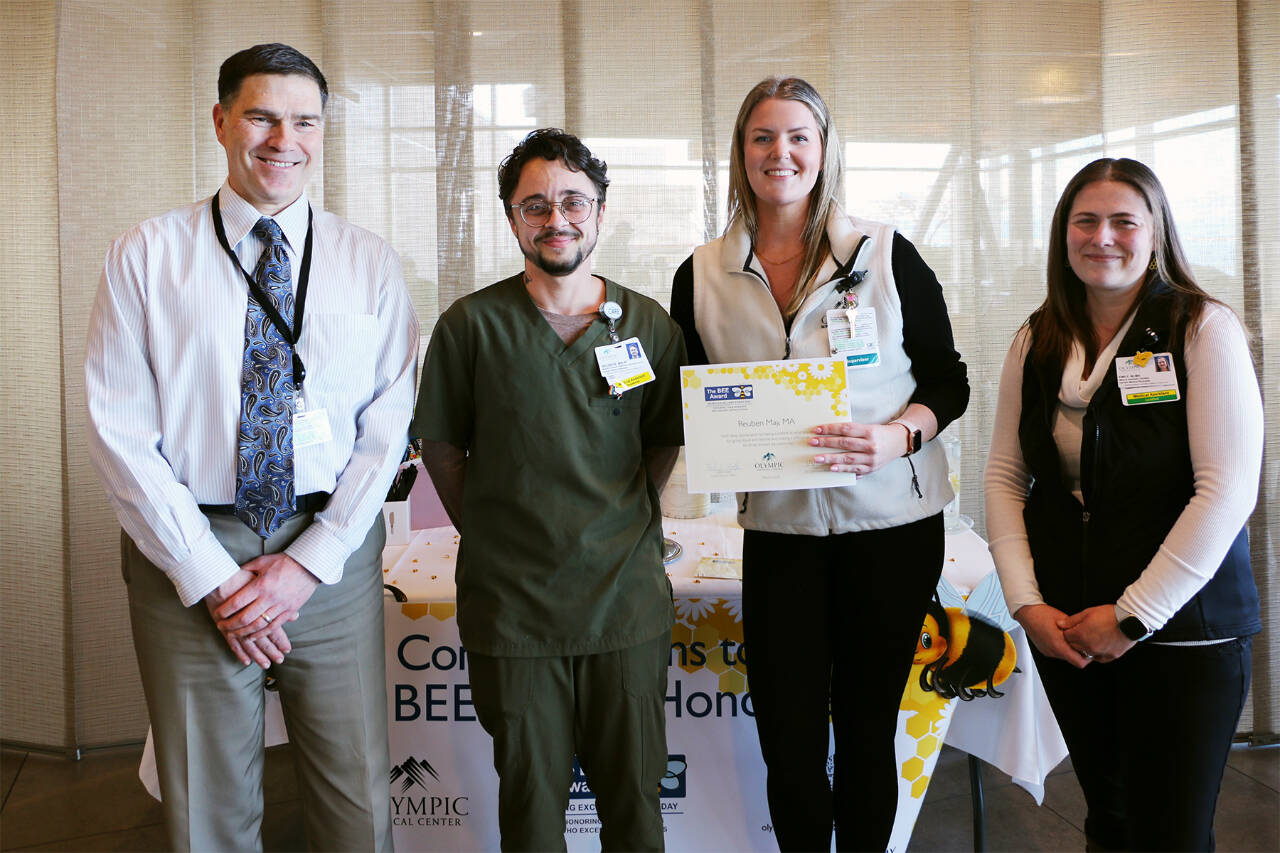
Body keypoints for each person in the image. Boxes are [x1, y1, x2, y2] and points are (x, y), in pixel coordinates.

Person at [85, 43, 419, 851]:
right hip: (188, 550)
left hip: (327, 548)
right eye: (263, 115)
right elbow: (120, 429)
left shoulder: (368, 259)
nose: (284, 138)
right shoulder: (147, 254)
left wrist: (309, 562)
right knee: (207, 808)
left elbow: (389, 423)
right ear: (221, 121)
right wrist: (210, 574)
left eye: (304, 120)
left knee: (356, 796)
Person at [669, 77, 969, 851]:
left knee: (869, 728)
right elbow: (689, 400)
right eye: (763, 137)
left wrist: (898, 435)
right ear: (740, 155)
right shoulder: (700, 273)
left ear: (825, 150)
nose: (782, 152)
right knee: (789, 735)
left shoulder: (884, 251)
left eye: (799, 136)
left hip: (891, 526)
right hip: (781, 533)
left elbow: (949, 380)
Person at [412, 128, 685, 852]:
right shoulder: (471, 327)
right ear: (511, 219)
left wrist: (611, 518)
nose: (555, 218)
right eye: (534, 205)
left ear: (600, 212)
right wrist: (505, 528)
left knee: (635, 801)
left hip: (624, 601)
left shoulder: (649, 325)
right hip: (516, 608)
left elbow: (663, 440)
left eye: (572, 201)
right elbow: (440, 445)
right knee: (532, 804)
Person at [984, 157, 1262, 851]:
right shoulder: (1038, 338)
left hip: (1182, 630)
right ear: (1063, 234)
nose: (1101, 236)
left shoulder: (1201, 329)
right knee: (1109, 822)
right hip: (1070, 627)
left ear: (1156, 232)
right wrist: (1027, 604)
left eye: (1122, 221)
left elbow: (1226, 490)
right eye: (1085, 220)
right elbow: (1003, 476)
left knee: (1170, 832)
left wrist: (1133, 615)